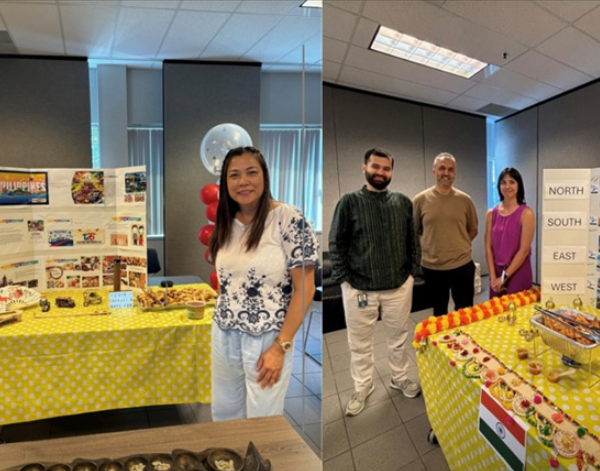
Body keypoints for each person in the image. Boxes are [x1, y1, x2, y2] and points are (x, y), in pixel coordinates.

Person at [208, 146, 318, 421]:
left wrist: (281, 346)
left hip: (268, 336)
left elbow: (305, 288)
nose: (243, 181)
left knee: (262, 420)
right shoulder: (225, 223)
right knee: (224, 414)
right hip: (224, 334)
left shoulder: (288, 218)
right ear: (225, 182)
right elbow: (226, 283)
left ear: (264, 177)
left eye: (251, 172)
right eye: (234, 175)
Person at [329, 147, 422, 417]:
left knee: (398, 337)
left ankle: (399, 376)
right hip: (359, 289)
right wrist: (345, 282)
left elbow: (413, 241)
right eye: (376, 167)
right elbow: (337, 243)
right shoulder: (349, 202)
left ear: (391, 172)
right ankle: (363, 386)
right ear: (364, 168)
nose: (381, 172)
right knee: (359, 343)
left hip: (398, 287)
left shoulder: (403, 202)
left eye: (386, 168)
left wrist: (411, 275)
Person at [413, 152, 479, 317]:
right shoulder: (420, 200)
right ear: (434, 171)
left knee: (465, 314)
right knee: (439, 314)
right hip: (432, 268)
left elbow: (473, 229)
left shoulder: (465, 200)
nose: (446, 173)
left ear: (454, 174)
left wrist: (457, 244)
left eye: (451, 170)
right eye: (442, 168)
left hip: (462, 265)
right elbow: (414, 232)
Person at [485, 167, 534, 298]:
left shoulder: (526, 213)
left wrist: (503, 278)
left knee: (516, 312)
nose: (507, 186)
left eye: (512, 182)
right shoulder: (491, 214)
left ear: (519, 185)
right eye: (503, 182)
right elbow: (488, 247)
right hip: (496, 271)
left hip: (518, 271)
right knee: (495, 313)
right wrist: (493, 276)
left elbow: (524, 251)